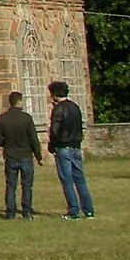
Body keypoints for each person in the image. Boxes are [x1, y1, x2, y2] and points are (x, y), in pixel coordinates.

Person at [46, 80, 94, 219]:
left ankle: (73, 210)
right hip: (76, 146)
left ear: (55, 94)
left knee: (66, 179)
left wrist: (52, 145)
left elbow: (55, 130)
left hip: (63, 147)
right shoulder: (75, 107)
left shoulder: (58, 109)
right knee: (80, 179)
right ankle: (88, 209)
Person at [0, 91, 39, 220]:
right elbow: (33, 138)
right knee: (27, 186)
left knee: (10, 186)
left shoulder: (2, 118)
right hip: (25, 155)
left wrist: (6, 144)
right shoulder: (26, 118)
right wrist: (38, 155)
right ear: (19, 102)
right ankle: (27, 212)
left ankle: (10, 212)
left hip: (10, 155)